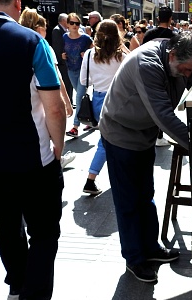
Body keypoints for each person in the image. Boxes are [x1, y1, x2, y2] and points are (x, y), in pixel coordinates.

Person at [0, 0, 66, 300]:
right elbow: (54, 106)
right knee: (44, 232)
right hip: (32, 158)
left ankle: (16, 284)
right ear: (16, 3)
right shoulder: (32, 41)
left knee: (5, 219)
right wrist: (58, 146)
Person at [100, 31, 192, 283]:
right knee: (128, 201)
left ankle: (152, 248)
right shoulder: (147, 64)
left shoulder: (178, 61)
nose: (187, 74)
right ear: (172, 56)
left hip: (142, 133)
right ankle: (134, 258)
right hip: (120, 134)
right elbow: (164, 116)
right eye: (186, 70)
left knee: (145, 195)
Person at [19, 8, 76, 169]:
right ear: (39, 28)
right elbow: (57, 78)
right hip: (45, 102)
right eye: (45, 28)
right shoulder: (42, 46)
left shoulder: (17, 44)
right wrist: (66, 101)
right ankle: (56, 157)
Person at [80, 19, 126, 195]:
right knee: (112, 141)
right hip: (118, 100)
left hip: (99, 99)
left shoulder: (91, 54)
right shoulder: (121, 56)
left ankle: (92, 179)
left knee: (107, 140)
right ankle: (92, 179)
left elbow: (84, 81)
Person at [142, 6, 177, 147]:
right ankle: (159, 134)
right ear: (170, 19)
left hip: (150, 72)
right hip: (167, 74)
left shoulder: (149, 34)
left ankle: (151, 133)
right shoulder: (174, 36)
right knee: (164, 104)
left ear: (157, 19)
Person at [63, 12, 93, 138]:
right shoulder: (64, 37)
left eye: (77, 23)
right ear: (67, 25)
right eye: (72, 23)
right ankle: (91, 118)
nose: (74, 26)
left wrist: (87, 53)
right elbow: (62, 50)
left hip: (83, 71)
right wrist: (62, 55)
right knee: (81, 98)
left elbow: (95, 50)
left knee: (79, 96)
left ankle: (75, 127)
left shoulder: (85, 38)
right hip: (71, 70)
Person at [52, 13, 73, 107]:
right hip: (62, 62)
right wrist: (61, 59)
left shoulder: (65, 30)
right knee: (65, 81)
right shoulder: (57, 30)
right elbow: (57, 47)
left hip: (66, 60)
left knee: (69, 82)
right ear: (63, 21)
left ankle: (70, 100)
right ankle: (67, 102)